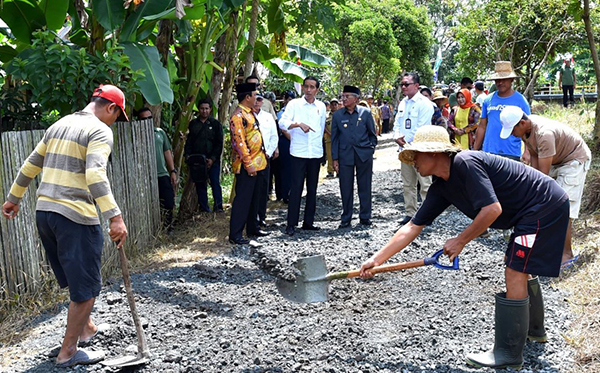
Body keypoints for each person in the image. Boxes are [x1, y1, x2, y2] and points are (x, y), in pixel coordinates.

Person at [360, 125, 570, 370]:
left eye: (417, 154)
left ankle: (509, 353)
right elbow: (412, 226)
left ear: (435, 153)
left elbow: (492, 210)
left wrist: (460, 240)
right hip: (533, 210)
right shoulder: (442, 187)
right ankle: (534, 332)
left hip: (543, 205)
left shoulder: (465, 163)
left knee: (515, 269)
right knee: (521, 266)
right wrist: (376, 259)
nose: (413, 161)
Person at [1, 84, 129, 368]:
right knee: (86, 287)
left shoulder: (61, 124)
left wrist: (13, 198)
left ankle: (86, 330)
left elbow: (31, 164)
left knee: (75, 278)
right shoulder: (99, 130)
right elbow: (95, 174)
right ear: (111, 108)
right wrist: (115, 217)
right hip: (74, 215)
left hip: (45, 212)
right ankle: (68, 352)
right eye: (117, 116)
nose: (115, 122)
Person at [499, 106, 591, 269]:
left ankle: (566, 255)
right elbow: (534, 157)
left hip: (574, 160)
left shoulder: (544, 134)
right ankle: (548, 248)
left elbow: (543, 177)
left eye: (512, 129)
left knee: (563, 208)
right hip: (557, 159)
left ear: (522, 122)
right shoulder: (527, 130)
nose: (512, 133)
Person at [279, 76, 327, 236]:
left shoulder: (321, 106)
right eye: (306, 86)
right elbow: (282, 123)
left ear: (317, 90)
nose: (308, 90)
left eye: (312, 87)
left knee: (312, 189)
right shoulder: (294, 104)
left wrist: (322, 152)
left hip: (315, 152)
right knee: (296, 188)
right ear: (302, 87)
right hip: (298, 153)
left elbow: (320, 129)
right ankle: (291, 224)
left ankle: (308, 222)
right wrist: (298, 124)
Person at [331, 85, 378, 228]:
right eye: (343, 96)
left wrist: (370, 149)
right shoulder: (338, 115)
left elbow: (372, 134)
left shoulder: (365, 113)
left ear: (356, 99)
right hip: (345, 156)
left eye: (347, 96)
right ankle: (346, 218)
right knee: (345, 188)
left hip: (363, 155)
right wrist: (335, 158)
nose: (343, 99)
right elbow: (334, 139)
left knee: (365, 186)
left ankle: (365, 217)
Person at [228, 83, 269, 245]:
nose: (256, 98)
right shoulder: (238, 116)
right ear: (247, 97)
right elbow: (239, 143)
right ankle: (235, 234)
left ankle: (253, 228)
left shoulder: (250, 114)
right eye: (254, 95)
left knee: (255, 198)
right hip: (247, 165)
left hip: (259, 163)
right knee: (243, 199)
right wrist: (248, 163)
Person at [393, 72, 434, 225]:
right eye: (402, 84)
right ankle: (410, 213)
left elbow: (422, 127)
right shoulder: (403, 102)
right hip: (404, 150)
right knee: (407, 183)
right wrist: (397, 137)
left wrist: (405, 141)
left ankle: (427, 214)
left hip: (420, 150)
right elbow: (397, 123)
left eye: (406, 84)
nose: (403, 87)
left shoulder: (425, 103)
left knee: (425, 184)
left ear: (416, 85)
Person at [473, 61, 530, 161]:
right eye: (497, 80)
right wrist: (475, 150)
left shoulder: (520, 100)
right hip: (489, 151)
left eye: (504, 79)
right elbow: (482, 126)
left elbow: (528, 128)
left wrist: (527, 151)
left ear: (511, 79)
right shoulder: (488, 100)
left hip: (511, 152)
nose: (500, 82)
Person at [138, 108, 177, 233]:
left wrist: (172, 171)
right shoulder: (136, 135)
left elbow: (167, 151)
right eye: (144, 119)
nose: (147, 121)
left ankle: (167, 227)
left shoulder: (159, 132)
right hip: (143, 176)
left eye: (149, 118)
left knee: (168, 201)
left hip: (161, 173)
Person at [184, 99, 224, 213]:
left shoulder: (216, 124)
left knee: (215, 182)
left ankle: (218, 207)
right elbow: (189, 141)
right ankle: (204, 208)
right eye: (202, 109)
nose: (204, 111)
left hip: (213, 159)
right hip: (197, 160)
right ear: (199, 109)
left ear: (210, 109)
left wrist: (212, 158)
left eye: (206, 108)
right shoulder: (193, 124)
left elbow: (219, 143)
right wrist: (188, 156)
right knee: (200, 184)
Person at [253, 95, 279, 228]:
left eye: (259, 100)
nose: (257, 102)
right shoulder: (246, 116)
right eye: (255, 99)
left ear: (262, 102)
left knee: (263, 188)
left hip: (265, 157)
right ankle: (251, 217)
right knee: (251, 189)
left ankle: (261, 216)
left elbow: (274, 136)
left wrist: (268, 152)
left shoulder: (268, 117)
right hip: (250, 159)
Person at [274, 90, 296, 203]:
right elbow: (283, 128)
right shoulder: (281, 113)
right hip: (285, 141)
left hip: (294, 141)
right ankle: (283, 194)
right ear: (285, 100)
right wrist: (292, 139)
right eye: (289, 99)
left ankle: (290, 192)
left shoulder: (296, 111)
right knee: (284, 168)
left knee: (292, 168)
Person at [324, 98, 339, 178]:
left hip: (339, 139)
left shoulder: (341, 115)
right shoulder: (326, 116)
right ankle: (330, 171)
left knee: (339, 155)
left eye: (335, 104)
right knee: (330, 156)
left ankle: (339, 171)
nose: (334, 106)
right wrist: (329, 133)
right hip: (329, 139)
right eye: (332, 104)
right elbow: (324, 126)